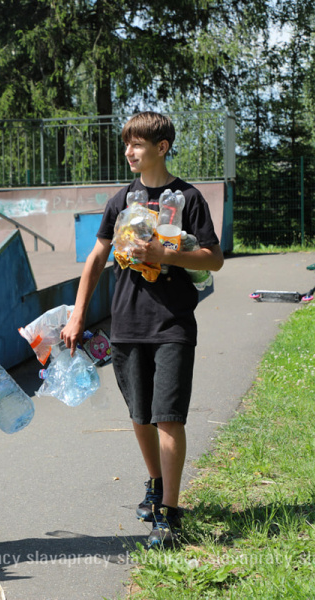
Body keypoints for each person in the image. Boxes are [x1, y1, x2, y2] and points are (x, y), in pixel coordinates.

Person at [60, 111, 224, 549]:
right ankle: (155, 483)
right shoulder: (120, 201)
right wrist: (78, 314)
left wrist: (164, 254)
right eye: (127, 144)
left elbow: (212, 258)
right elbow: (97, 258)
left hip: (172, 322)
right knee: (140, 414)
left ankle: (169, 515)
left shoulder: (188, 198)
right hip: (127, 322)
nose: (129, 152)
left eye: (137, 144)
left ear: (161, 147)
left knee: (168, 415)